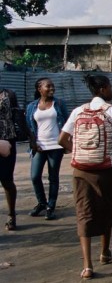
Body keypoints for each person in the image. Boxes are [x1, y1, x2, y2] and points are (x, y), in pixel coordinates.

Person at [58, 75, 112, 280]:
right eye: (109, 87)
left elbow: (62, 139)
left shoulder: (78, 111)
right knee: (105, 209)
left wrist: (78, 152)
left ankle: (87, 267)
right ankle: (105, 253)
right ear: (104, 89)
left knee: (83, 213)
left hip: (80, 170)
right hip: (104, 170)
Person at [26, 78, 69, 220]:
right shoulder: (32, 106)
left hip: (56, 146)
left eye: (53, 86)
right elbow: (29, 127)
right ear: (39, 89)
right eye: (48, 86)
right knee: (35, 176)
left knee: (53, 177)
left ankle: (51, 206)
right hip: (39, 146)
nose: (52, 89)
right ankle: (41, 203)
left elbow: (68, 123)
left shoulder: (59, 104)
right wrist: (33, 142)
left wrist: (67, 142)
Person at [0, 86, 21, 231]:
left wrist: (31, 137)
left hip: (7, 141)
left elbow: (18, 116)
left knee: (7, 180)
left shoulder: (9, 94)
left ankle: (11, 215)